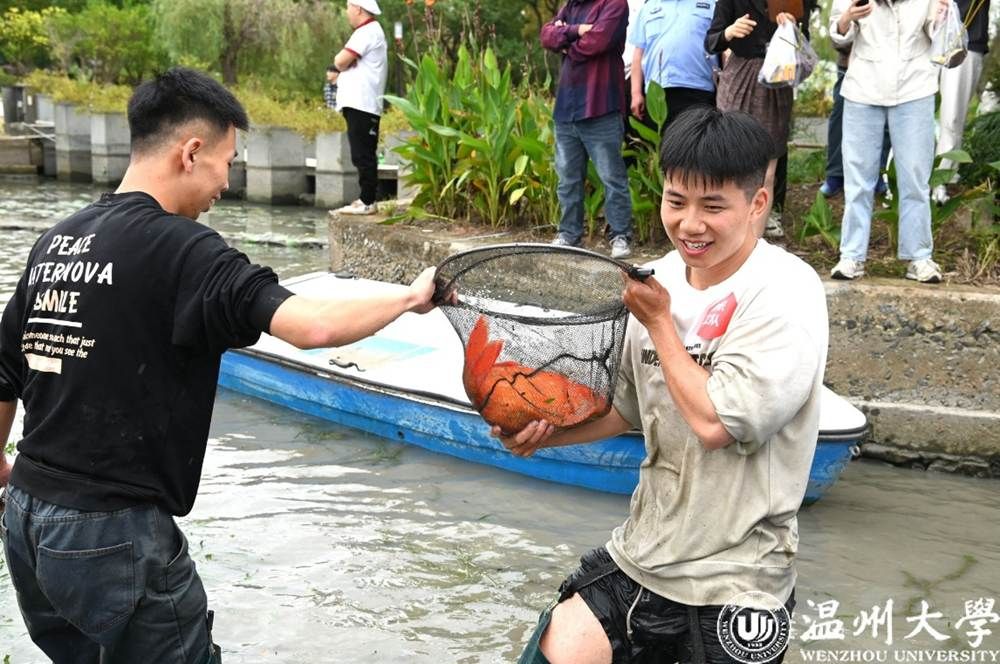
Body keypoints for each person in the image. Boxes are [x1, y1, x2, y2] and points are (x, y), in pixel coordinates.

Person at [0, 67, 437, 663]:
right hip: (111, 533)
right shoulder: (187, 251)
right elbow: (313, 325)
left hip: (28, 523)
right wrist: (412, 298)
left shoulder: (56, 240)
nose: (225, 184)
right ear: (191, 151)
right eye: (227, 162)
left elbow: (4, 371)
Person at [497, 107, 828, 664]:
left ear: (757, 204)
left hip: (740, 579)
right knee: (549, 648)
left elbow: (717, 422)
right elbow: (625, 407)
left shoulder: (785, 292)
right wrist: (540, 435)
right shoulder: (659, 278)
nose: (690, 224)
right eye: (676, 201)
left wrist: (658, 324)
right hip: (643, 554)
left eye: (712, 206)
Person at [828, 0, 949, 283]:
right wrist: (847, 17)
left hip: (915, 86)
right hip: (862, 88)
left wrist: (942, 17)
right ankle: (851, 256)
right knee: (858, 179)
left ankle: (919, 257)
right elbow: (837, 34)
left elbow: (936, 32)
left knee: (915, 177)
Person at [705, 0, 816, 238]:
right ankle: (725, 232)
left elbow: (803, 37)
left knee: (767, 169)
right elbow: (711, 40)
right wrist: (729, 31)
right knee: (729, 160)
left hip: (776, 79)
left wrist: (792, 28)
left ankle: (753, 242)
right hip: (739, 77)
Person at [542, 0, 635, 260]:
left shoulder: (615, 4)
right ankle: (569, 234)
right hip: (567, 108)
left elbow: (597, 42)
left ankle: (620, 235)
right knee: (567, 179)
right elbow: (546, 36)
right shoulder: (570, 5)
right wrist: (576, 31)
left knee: (612, 178)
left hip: (601, 105)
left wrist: (565, 40)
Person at [932, 0, 991, 203]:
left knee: (953, 118)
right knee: (911, 110)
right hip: (928, 36)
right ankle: (896, 179)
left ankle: (941, 180)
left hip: (968, 43)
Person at [332, 0, 387, 216]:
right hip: (359, 103)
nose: (346, 12)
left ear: (357, 8)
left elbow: (339, 61)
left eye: (348, 7)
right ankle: (365, 198)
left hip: (363, 103)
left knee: (363, 153)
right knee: (361, 151)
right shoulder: (367, 31)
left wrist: (344, 65)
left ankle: (367, 200)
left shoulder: (367, 31)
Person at [629, 0, 718, 130]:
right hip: (657, 92)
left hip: (699, 89)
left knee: (697, 145)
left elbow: (724, 49)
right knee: (663, 146)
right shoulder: (648, 8)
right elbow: (638, 56)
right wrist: (636, 93)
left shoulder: (711, 4)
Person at [818, 41, 890, 198]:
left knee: (884, 120)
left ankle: (877, 174)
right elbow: (839, 30)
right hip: (851, 62)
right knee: (840, 115)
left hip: (887, 64)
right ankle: (835, 175)